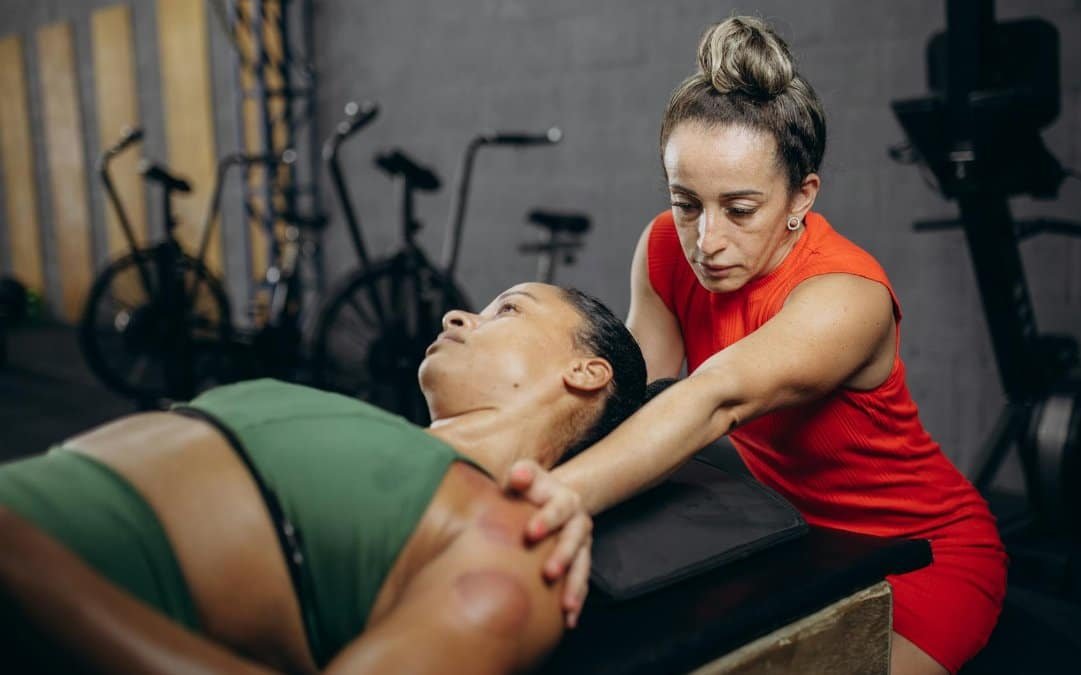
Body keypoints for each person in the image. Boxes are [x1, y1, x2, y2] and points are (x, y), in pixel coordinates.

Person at [510, 16, 1008, 675]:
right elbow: (630, 398)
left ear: (802, 196)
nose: (706, 239)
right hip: (799, 544)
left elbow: (712, 398)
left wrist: (548, 501)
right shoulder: (666, 248)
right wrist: (497, 463)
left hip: (921, 551)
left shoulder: (846, 296)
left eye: (739, 209)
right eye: (686, 201)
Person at [0, 282, 646, 674]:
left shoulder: (517, 543)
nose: (455, 316)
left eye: (506, 309)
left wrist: (23, 557)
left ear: (586, 372)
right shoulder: (370, 430)